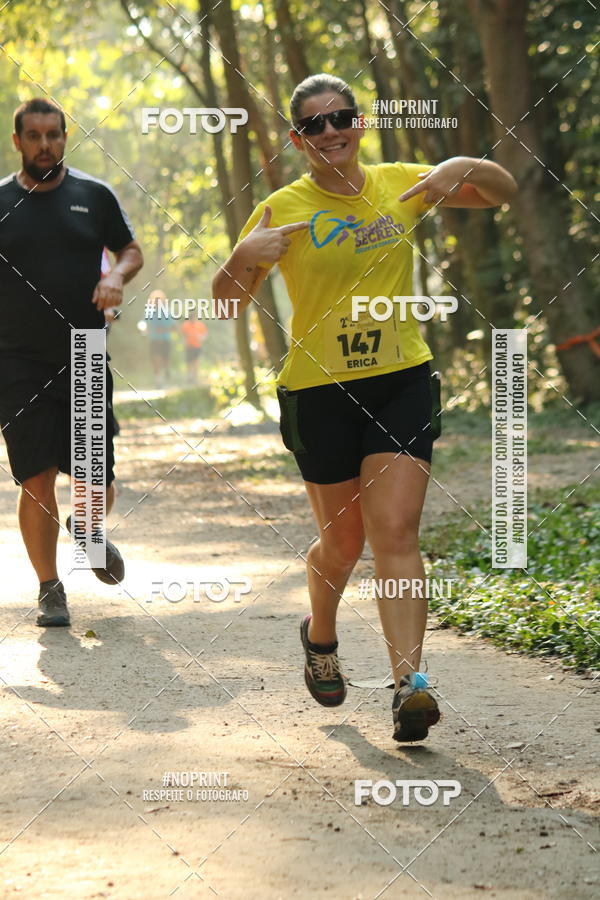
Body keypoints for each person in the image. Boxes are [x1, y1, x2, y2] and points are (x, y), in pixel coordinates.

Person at [213, 74, 517, 742]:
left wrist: (458, 167)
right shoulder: (279, 208)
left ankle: (410, 684)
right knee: (344, 544)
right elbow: (225, 301)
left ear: (359, 122)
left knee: (397, 530)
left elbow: (503, 192)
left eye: (341, 118)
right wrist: (240, 257)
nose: (331, 133)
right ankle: (320, 637)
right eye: (315, 126)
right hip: (318, 392)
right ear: (298, 139)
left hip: (400, 378)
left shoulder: (402, 182)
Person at [0, 98, 143, 627]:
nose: (45, 145)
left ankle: (89, 531)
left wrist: (115, 276)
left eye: (54, 135)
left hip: (84, 351)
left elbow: (131, 250)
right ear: (18, 141)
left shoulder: (93, 196)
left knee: (94, 479)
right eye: (34, 136)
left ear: (65, 137)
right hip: (15, 362)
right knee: (36, 478)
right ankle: (49, 588)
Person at [140, 289, 173, 388]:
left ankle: (166, 372)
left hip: (165, 339)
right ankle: (158, 380)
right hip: (154, 340)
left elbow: (173, 326)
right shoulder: (149, 311)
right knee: (156, 359)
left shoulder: (167, 312)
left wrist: (164, 329)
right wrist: (144, 330)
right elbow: (143, 323)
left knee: (165, 360)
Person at [181, 317, 207, 385]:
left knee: (196, 361)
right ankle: (189, 376)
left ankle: (195, 377)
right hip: (188, 346)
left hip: (197, 346)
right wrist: (184, 342)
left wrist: (201, 337)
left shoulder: (200, 325)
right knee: (189, 362)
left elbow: (205, 335)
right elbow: (182, 334)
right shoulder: (185, 325)